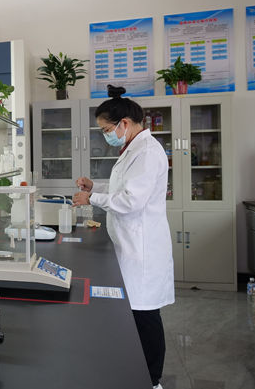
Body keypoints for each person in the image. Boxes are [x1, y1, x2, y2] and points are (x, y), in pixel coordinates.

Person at [72, 85, 174, 389]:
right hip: (130, 245)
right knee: (137, 315)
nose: (106, 135)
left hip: (142, 249)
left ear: (124, 124)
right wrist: (95, 188)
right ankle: (137, 372)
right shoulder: (135, 149)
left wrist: (91, 199)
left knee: (145, 317)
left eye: (107, 129)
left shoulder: (147, 152)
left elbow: (131, 201)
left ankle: (152, 379)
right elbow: (122, 190)